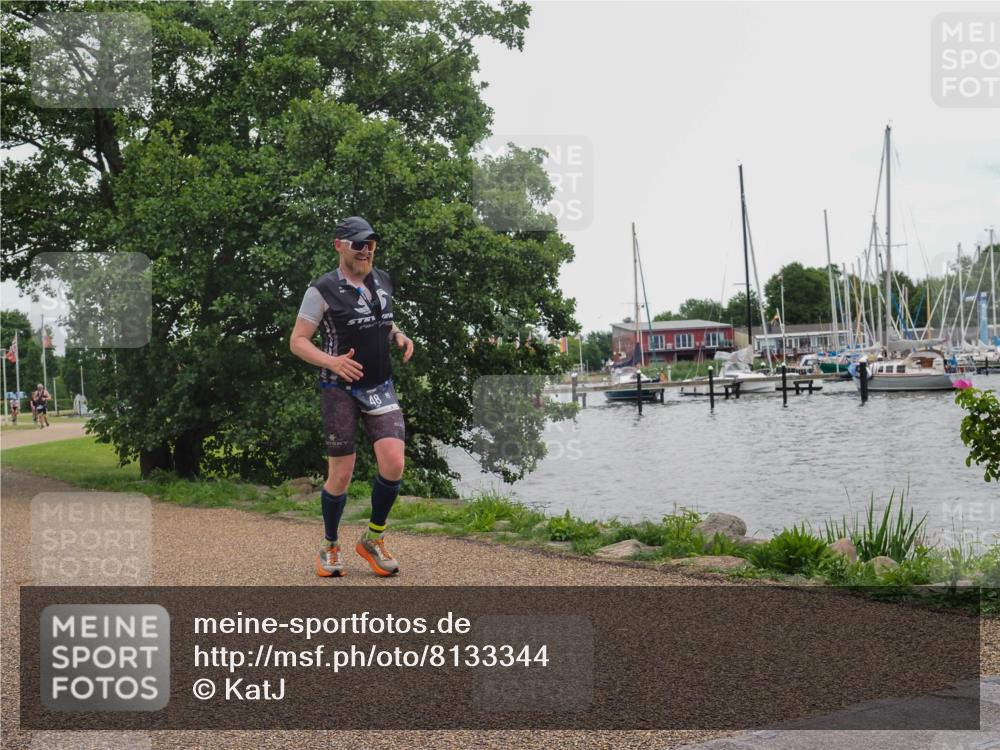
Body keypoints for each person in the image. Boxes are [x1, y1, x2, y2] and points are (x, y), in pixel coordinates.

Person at [290, 216, 414, 578]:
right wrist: (332, 362)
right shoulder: (321, 290)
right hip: (338, 389)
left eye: (371, 244)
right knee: (341, 474)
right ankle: (329, 545)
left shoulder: (383, 280)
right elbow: (297, 341)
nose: (367, 250)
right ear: (339, 246)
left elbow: (384, 319)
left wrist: (399, 334)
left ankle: (372, 539)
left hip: (379, 386)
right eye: (359, 244)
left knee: (393, 462)